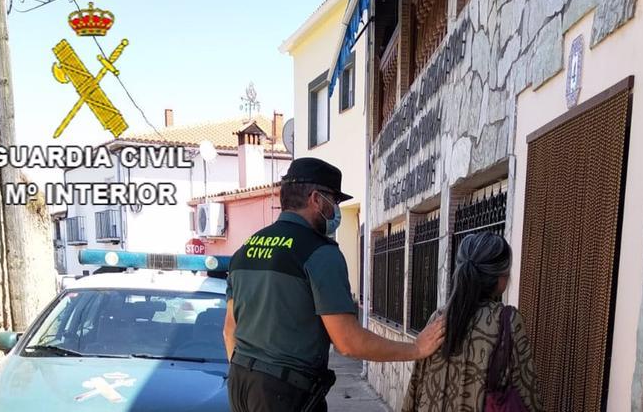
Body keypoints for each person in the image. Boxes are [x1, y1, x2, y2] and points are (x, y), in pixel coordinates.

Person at [223, 157, 445, 412]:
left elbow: (229, 331)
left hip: (240, 382)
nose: (336, 210)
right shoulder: (319, 252)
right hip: (283, 393)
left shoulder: (245, 249)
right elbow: (347, 342)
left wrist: (251, 378)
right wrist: (416, 348)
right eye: (335, 201)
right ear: (316, 199)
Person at [402, 232, 544, 411]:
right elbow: (527, 389)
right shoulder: (507, 321)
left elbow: (417, 382)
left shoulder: (438, 319)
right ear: (501, 276)